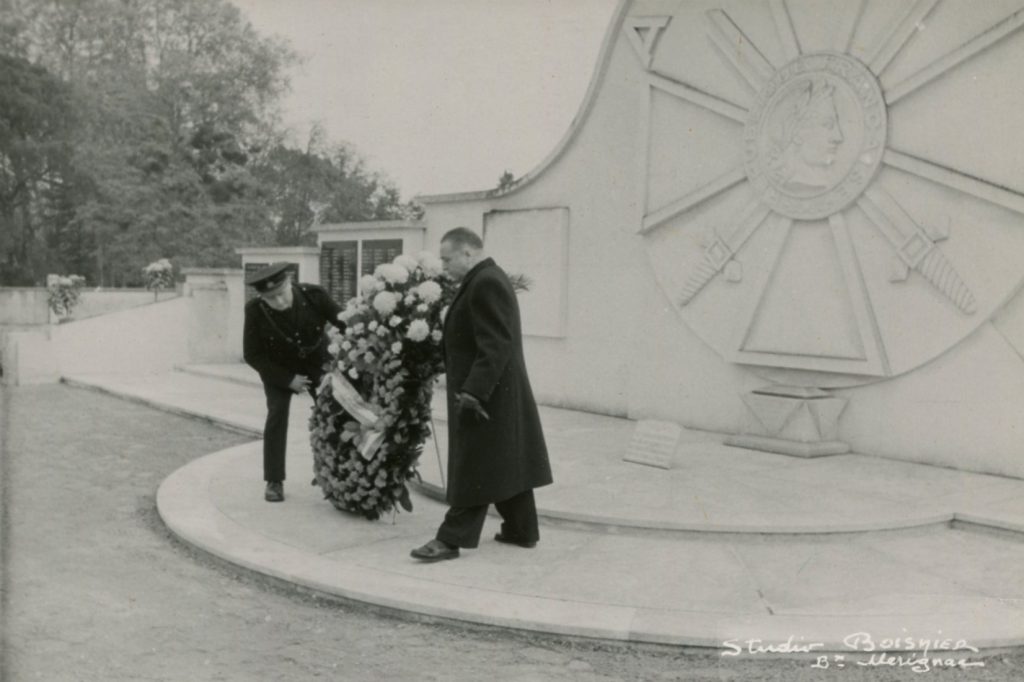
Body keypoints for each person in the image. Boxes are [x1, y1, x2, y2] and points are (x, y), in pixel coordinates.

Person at [411, 228, 552, 562]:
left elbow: (496, 343)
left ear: (467, 254)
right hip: (496, 393)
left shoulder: (486, 282)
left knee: (474, 462)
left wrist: (474, 392)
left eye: (447, 259)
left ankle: (450, 539)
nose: (443, 266)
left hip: (486, 394)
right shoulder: (484, 278)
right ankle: (522, 529)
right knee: (504, 458)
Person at [243, 262, 343, 502]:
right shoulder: (255, 310)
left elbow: (346, 322)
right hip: (279, 368)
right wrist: (287, 380)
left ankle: (341, 470)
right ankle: (274, 480)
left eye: (280, 294)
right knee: (277, 413)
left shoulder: (314, 295)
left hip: (317, 362)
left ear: (289, 283)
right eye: (270, 298)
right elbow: (252, 354)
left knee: (335, 411)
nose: (278, 302)